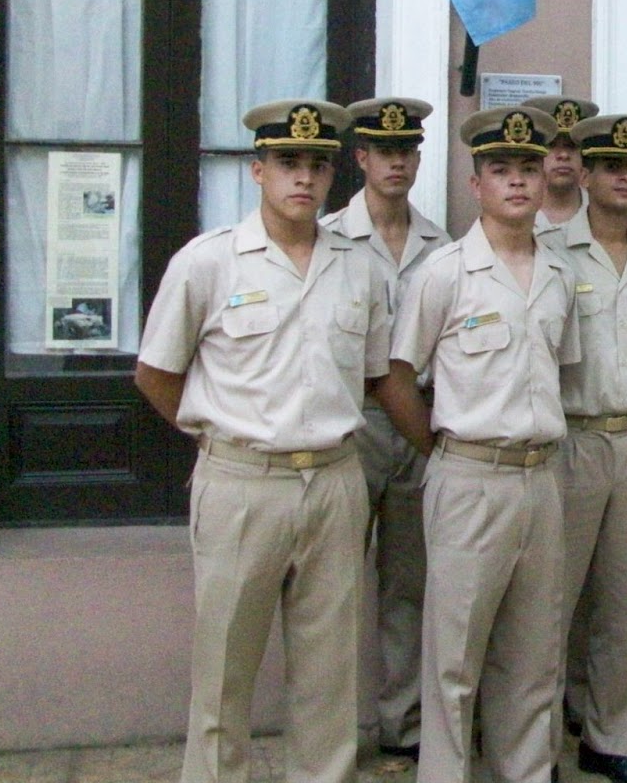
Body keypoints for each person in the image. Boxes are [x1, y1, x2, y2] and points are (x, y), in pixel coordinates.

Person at [134, 99, 417, 783]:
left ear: (332, 175)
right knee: (224, 667)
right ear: (258, 170)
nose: (304, 177)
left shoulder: (358, 267)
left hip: (335, 480)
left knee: (329, 670)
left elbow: (376, 374)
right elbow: (156, 374)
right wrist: (222, 436)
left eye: (317, 164)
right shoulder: (209, 262)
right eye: (288, 162)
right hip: (243, 485)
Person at [389, 105, 581, 783]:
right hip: (470, 477)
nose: (518, 181)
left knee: (533, 651)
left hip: (541, 477)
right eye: (501, 169)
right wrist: (439, 447)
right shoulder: (444, 272)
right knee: (455, 653)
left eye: (529, 167)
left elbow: (560, 371)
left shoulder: (559, 274)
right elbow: (397, 376)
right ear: (477, 185)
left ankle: (522, 772)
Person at [541, 114, 627, 783]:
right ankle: (537, 749)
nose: (626, 177)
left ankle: (610, 740)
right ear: (586, 175)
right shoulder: (549, 253)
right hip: (571, 441)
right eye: (612, 166)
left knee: (625, 610)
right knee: (550, 607)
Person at [322, 96, 449, 762]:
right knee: (332, 590)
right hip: (354, 424)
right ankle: (332, 733)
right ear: (361, 158)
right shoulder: (328, 239)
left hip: (422, 423)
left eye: (407, 151)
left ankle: (405, 724)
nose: (396, 162)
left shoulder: (442, 245)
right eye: (383, 151)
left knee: (410, 584)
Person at [526, 94, 599, 229]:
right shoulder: (515, 212)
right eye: (552, 145)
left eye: (571, 145)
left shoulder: (602, 214)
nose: (563, 155)